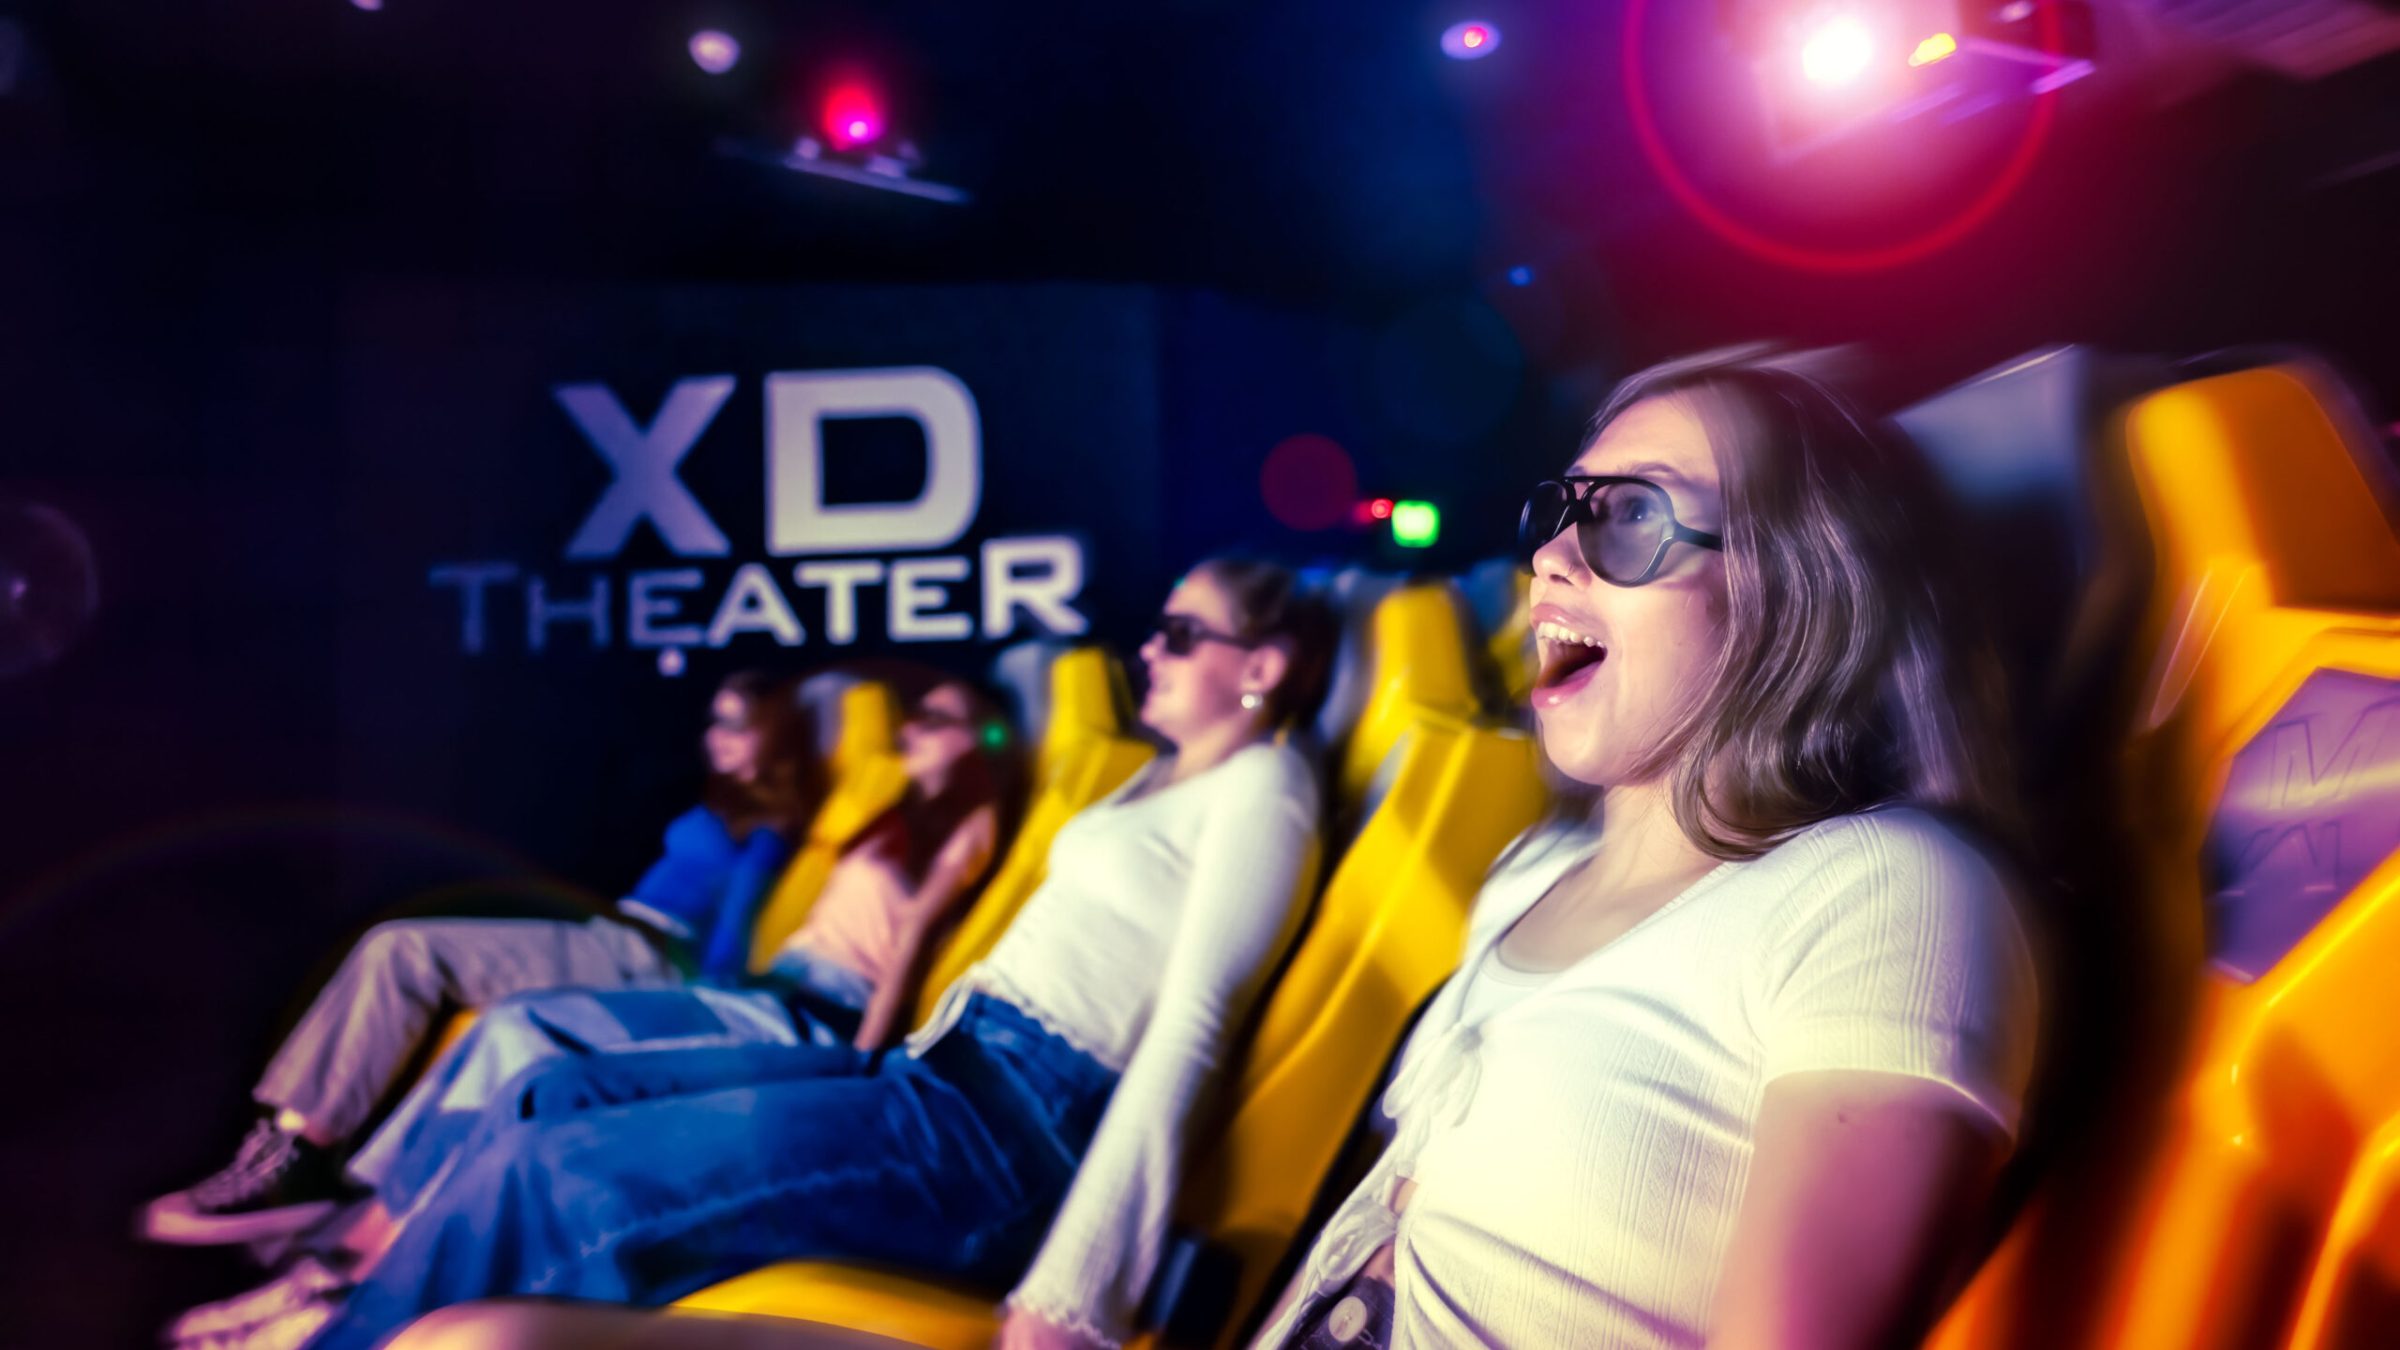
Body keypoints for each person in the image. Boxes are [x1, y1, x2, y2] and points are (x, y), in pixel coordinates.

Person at [177, 557, 1337, 1350]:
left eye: (1183, 634)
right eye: (1158, 627)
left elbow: (1190, 1028)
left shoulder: (1266, 792)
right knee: (548, 1088)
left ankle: (344, 1334)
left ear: (1264, 666)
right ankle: (367, 1295)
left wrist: (1082, 1290)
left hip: (1005, 1138)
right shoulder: (1161, 779)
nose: (1152, 646)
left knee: (561, 1173)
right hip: (943, 1075)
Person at [1257, 355, 2039, 1349]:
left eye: (1631, 518)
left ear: (1800, 588)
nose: (1552, 561)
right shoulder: (1526, 877)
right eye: (1564, 512)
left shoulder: (1882, 891)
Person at [142, 670, 821, 1246]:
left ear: (778, 734)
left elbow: (730, 944)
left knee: (403, 950)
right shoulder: (727, 807)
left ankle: (296, 1165)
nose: (719, 738)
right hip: (613, 934)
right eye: (716, 722)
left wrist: (710, 998)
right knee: (398, 949)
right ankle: (294, 1156)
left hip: (642, 958)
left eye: (740, 724)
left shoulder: (767, 830)